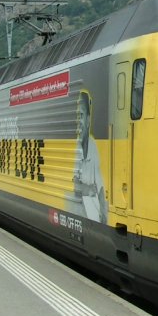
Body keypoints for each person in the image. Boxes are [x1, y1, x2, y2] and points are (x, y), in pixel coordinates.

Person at [73, 91, 107, 222]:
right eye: (76, 116)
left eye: (80, 115)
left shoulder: (94, 149)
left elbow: (101, 190)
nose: (78, 121)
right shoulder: (76, 147)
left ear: (88, 120)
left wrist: (104, 219)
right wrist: (87, 189)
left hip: (92, 219)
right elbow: (73, 186)